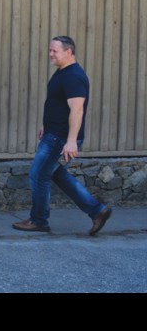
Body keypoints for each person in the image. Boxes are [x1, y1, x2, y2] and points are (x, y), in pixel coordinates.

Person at [13, 36, 112, 235]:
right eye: (50, 50)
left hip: (60, 138)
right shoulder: (62, 72)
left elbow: (77, 110)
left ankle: (39, 220)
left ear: (69, 52)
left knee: (39, 175)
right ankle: (97, 210)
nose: (50, 54)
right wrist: (45, 125)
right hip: (53, 133)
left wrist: (71, 141)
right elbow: (57, 104)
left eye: (54, 51)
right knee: (56, 174)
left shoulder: (73, 76)